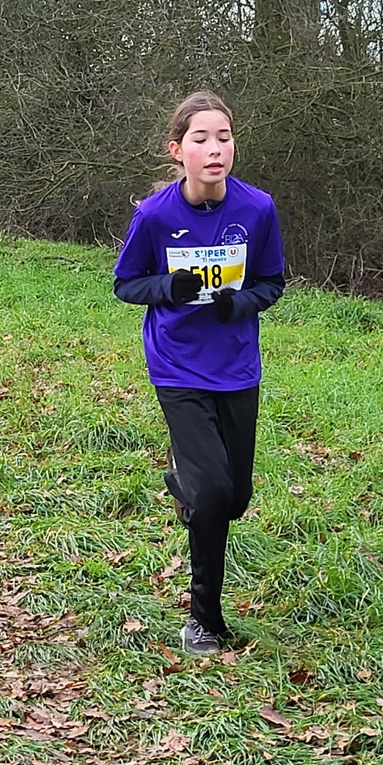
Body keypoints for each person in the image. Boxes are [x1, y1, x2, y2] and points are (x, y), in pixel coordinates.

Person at [112, 91, 286, 656]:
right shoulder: (155, 215)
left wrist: (241, 303)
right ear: (177, 150)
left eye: (224, 137)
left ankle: (185, 484)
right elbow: (125, 284)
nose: (215, 149)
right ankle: (204, 620)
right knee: (213, 494)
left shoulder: (258, 209)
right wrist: (168, 287)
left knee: (234, 498)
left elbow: (272, 282)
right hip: (177, 365)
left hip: (236, 366)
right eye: (201, 139)